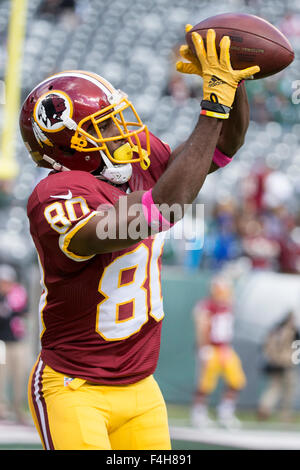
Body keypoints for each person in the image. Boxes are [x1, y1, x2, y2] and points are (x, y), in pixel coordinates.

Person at [19, 27, 259, 450]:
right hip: (76, 388)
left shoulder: (130, 162)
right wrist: (211, 103)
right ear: (73, 143)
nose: (122, 129)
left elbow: (221, 146)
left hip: (141, 387)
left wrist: (230, 83)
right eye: (105, 123)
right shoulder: (56, 195)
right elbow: (158, 212)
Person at [191, 276, 246, 428]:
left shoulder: (228, 304)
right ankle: (198, 412)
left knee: (236, 380)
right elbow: (201, 327)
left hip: (225, 347)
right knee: (205, 383)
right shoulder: (206, 306)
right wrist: (204, 347)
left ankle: (225, 412)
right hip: (211, 348)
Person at [257, 311, 300, 421]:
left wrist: (272, 358)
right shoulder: (292, 332)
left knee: (274, 388)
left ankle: (265, 407)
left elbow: (265, 346)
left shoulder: (275, 331)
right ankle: (285, 415)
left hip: (274, 363)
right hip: (286, 364)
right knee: (289, 391)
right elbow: (297, 348)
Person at [0, 264, 29, 424]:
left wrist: (10, 312)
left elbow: (25, 311)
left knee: (19, 376)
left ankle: (19, 411)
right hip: (2, 343)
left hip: (17, 341)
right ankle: (2, 410)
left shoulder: (18, 294)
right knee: (1, 376)